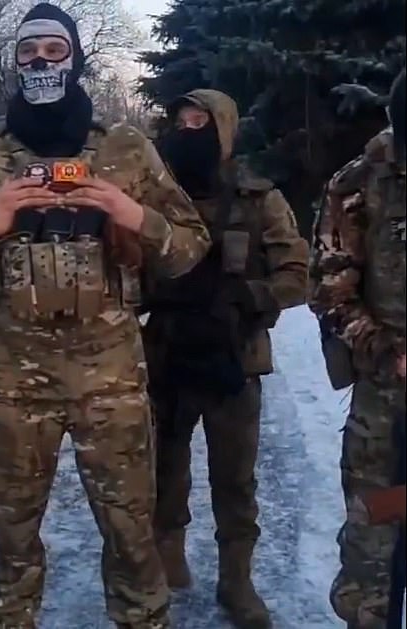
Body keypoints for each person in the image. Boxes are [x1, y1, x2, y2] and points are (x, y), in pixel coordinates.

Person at [0, 4, 211, 627]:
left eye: (54, 50)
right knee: (12, 538)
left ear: (76, 57)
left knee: (131, 533)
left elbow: (190, 249)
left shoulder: (124, 148)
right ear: (13, 62)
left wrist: (133, 214)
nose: (40, 62)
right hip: (14, 379)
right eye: (27, 51)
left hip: (110, 377)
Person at [144, 89, 309, 629]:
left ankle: (236, 581)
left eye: (201, 120)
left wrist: (251, 297)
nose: (189, 129)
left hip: (235, 360)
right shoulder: (155, 197)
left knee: (235, 481)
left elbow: (297, 274)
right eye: (181, 120)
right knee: (162, 473)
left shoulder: (258, 198)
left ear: (225, 127)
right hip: (166, 354)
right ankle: (167, 564)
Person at [309, 68, 405, 629]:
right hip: (389, 406)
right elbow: (330, 290)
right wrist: (385, 349)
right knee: (378, 532)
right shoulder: (358, 185)